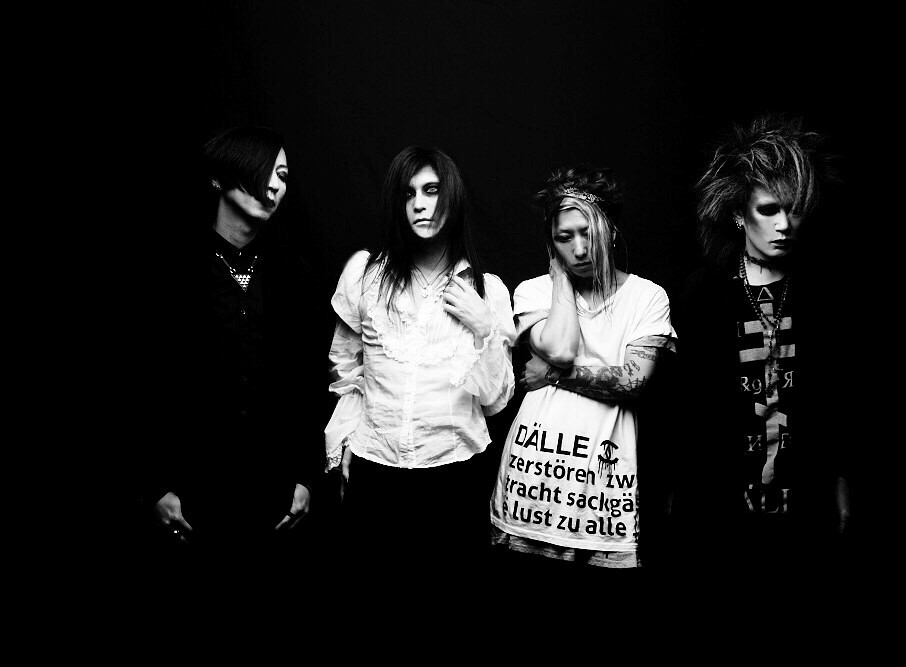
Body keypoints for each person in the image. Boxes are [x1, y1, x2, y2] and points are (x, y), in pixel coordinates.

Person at [670, 115, 849, 599]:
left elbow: (837, 394)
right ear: (737, 214)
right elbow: (688, 405)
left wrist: (839, 481)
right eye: (769, 210)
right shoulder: (703, 292)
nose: (784, 225)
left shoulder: (823, 290)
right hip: (720, 509)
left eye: (794, 210)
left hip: (806, 504)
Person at [325, 146, 515, 585]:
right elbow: (346, 367)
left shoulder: (487, 290)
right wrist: (349, 435)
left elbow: (495, 400)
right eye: (408, 193)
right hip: (375, 471)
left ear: (452, 197)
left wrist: (485, 327)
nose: (419, 204)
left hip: (454, 476)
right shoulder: (365, 276)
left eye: (432, 190)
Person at [145, 126, 328, 562]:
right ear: (218, 178)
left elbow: (309, 382)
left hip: (273, 498)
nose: (274, 185)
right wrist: (155, 486)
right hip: (193, 496)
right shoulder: (170, 270)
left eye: (282, 176)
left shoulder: (295, 274)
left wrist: (305, 478)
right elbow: (145, 379)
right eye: (264, 170)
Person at [488, 165, 676, 580]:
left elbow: (633, 381)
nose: (579, 249)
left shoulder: (647, 296)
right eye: (564, 237)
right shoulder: (534, 290)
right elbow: (562, 348)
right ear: (551, 244)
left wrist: (554, 376)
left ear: (610, 230)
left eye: (588, 232)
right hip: (534, 482)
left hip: (607, 490)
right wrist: (559, 280)